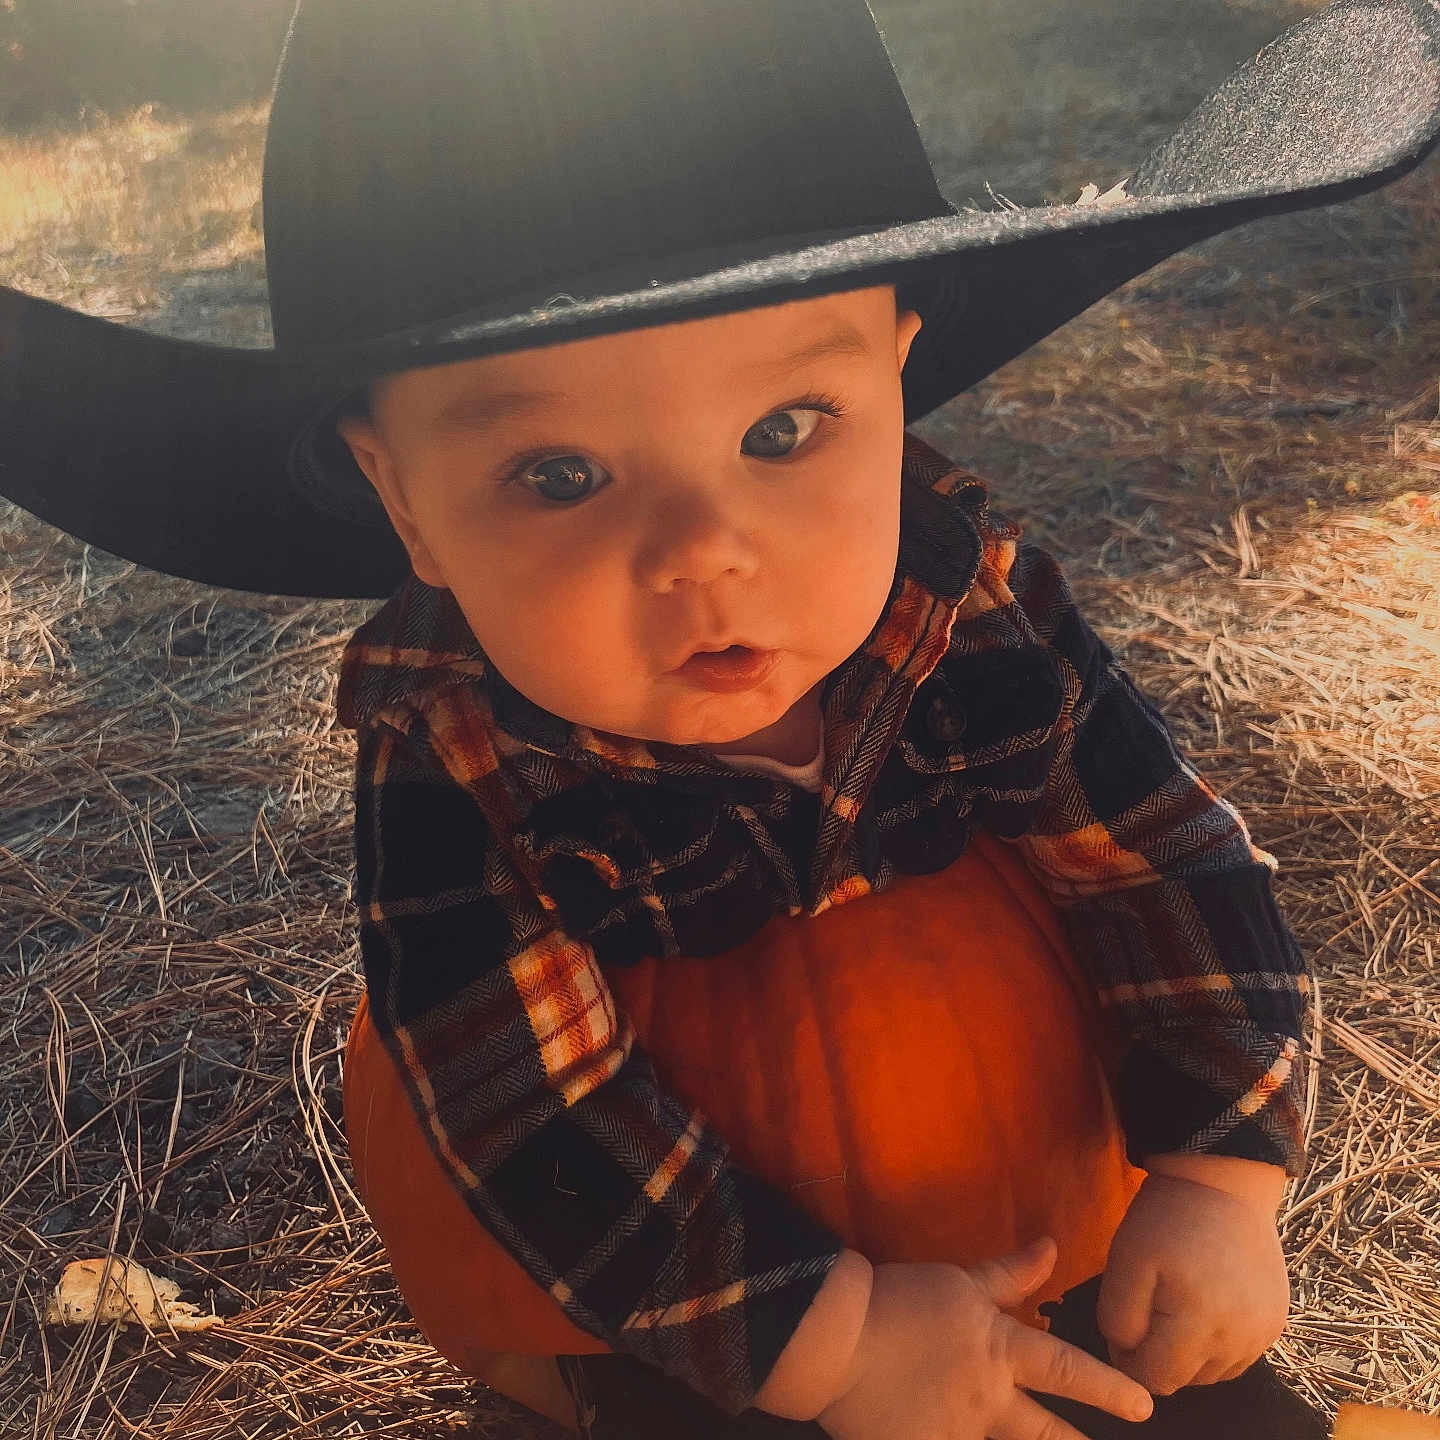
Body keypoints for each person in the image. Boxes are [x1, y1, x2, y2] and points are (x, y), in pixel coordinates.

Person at [2, 0, 1437, 1435]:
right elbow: (532, 1118)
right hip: (678, 1336)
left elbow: (1164, 863)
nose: (703, 549)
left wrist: (1219, 1172)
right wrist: (834, 1337)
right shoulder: (455, 762)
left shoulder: (970, 605)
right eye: (558, 474)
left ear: (894, 368)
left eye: (782, 431)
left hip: (1075, 1269)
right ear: (403, 502)